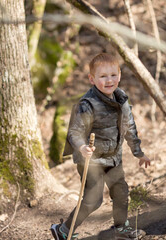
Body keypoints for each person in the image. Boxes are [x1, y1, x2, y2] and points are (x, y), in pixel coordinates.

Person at [50, 53, 151, 240]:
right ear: (92, 79)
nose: (109, 80)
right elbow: (75, 132)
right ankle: (63, 229)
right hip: (91, 159)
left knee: (120, 192)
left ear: (119, 75)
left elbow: (129, 127)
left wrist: (138, 153)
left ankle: (121, 228)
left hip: (113, 157)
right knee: (93, 200)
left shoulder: (122, 100)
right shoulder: (88, 104)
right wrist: (81, 148)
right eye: (103, 76)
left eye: (113, 75)